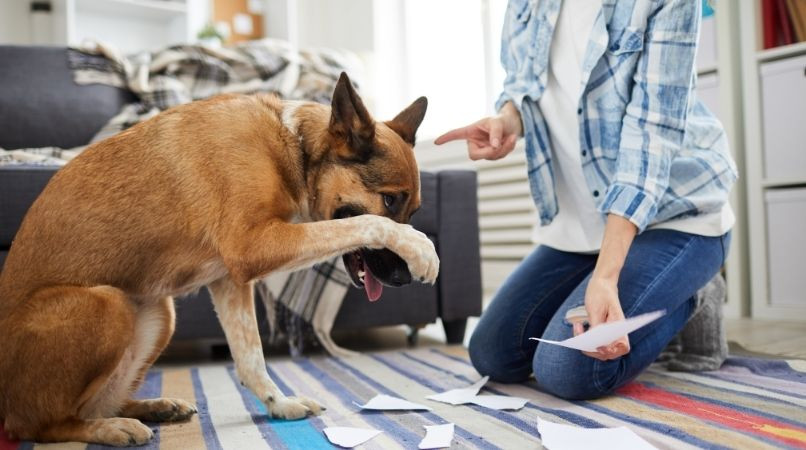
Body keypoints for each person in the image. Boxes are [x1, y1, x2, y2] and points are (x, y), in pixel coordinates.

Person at [435, 0, 736, 400]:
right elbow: (522, 85)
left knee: (567, 370)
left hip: (677, 216)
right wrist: (507, 120)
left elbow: (651, 137)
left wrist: (607, 277)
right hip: (582, 226)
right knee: (493, 355)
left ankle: (695, 292)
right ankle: (630, 282)